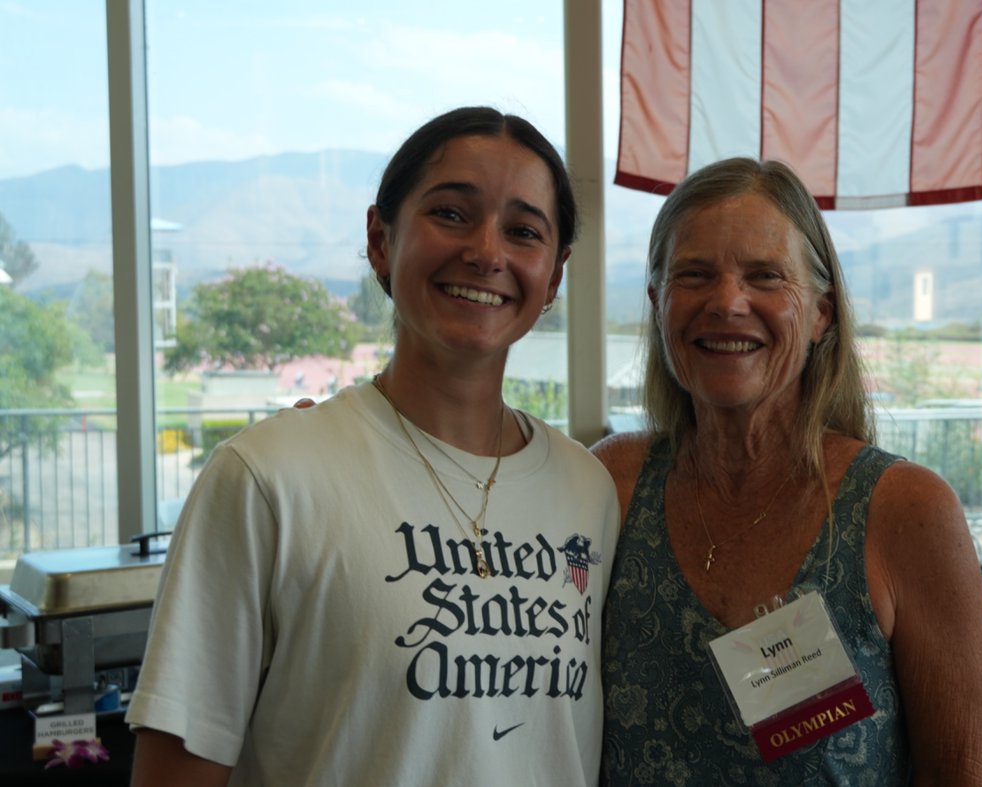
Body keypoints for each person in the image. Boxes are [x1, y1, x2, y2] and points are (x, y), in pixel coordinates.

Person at [127, 106, 621, 786]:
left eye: (523, 230)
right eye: (451, 213)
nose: (486, 251)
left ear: (555, 275)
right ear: (381, 239)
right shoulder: (268, 477)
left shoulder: (585, 490)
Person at [592, 158, 982, 785]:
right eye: (694, 274)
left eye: (765, 276)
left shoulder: (905, 512)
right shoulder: (614, 485)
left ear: (821, 315)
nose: (727, 302)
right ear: (658, 304)